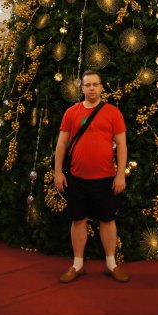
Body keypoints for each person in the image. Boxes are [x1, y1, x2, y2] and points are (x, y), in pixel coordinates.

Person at [54, 69, 129, 284]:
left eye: (95, 84)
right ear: (82, 88)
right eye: (87, 85)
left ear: (102, 87)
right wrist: (58, 172)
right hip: (77, 178)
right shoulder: (71, 112)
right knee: (78, 220)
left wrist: (120, 175)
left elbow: (122, 145)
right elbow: (61, 144)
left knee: (108, 220)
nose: (92, 88)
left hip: (106, 178)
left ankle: (111, 264)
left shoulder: (113, 112)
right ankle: (77, 265)